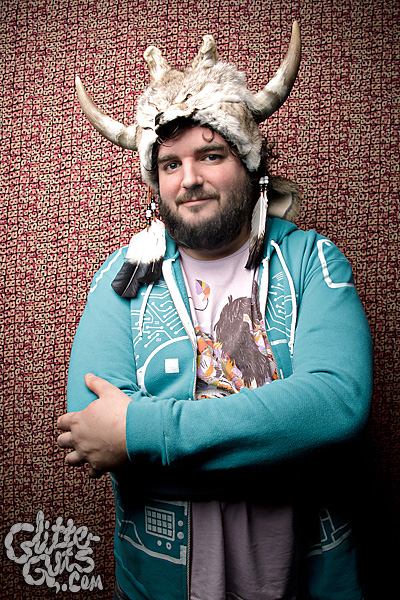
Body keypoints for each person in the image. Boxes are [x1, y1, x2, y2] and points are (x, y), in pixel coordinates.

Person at [57, 23, 373, 600]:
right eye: (170, 164)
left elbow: (335, 407)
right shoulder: (120, 277)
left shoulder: (312, 261)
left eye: (211, 154)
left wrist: (145, 431)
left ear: (251, 165)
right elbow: (93, 432)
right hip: (161, 576)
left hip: (306, 575)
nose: (190, 180)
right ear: (154, 181)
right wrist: (276, 438)